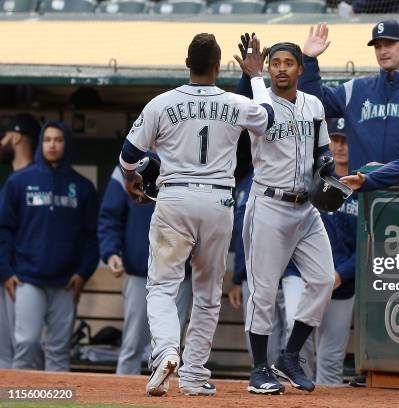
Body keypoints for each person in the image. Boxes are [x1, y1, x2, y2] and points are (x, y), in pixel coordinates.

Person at [118, 33, 273, 397]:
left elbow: (127, 156)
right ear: (218, 67)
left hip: (174, 199)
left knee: (162, 285)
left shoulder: (161, 103)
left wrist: (140, 172)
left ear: (187, 64)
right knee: (206, 292)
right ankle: (193, 375)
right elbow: (267, 118)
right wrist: (254, 75)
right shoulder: (235, 101)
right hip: (219, 201)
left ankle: (167, 351)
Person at [235, 38, 335, 395]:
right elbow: (255, 110)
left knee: (324, 280)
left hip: (306, 208)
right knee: (263, 292)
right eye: (274, 62)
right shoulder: (256, 103)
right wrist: (250, 75)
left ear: (299, 69)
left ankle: (290, 356)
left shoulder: (314, 104)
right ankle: (259, 369)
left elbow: (323, 148)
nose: (280, 68)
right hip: (270, 204)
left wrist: (328, 168)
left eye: (287, 62)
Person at [0, 121, 99, 371]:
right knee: (27, 344)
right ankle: (19, 402)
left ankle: (57, 401)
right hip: (27, 279)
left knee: (58, 351)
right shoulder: (18, 182)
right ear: (40, 143)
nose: (52, 145)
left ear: (67, 143)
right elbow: (3, 230)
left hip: (65, 282)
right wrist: (7, 272)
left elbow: (92, 236)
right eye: (47, 140)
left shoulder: (82, 187)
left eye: (58, 140)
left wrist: (82, 273)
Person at [97, 159, 194, 375]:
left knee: (171, 348)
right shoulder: (127, 167)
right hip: (140, 272)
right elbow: (110, 218)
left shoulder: (188, 162)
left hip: (179, 274)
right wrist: (111, 252)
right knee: (132, 345)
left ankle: (169, 397)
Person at [299, 20, 399, 172]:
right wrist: (308, 60)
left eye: (389, 44)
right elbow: (314, 103)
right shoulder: (356, 89)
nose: (382, 51)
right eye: (378, 46)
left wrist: (391, 170)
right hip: (363, 191)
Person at [228, 167, 286, 368]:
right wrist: (238, 278)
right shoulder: (246, 182)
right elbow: (242, 235)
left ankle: (296, 394)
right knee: (263, 352)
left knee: (292, 347)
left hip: (289, 273)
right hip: (258, 274)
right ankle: (265, 384)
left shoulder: (294, 175)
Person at [315, 118, 358, 386]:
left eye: (346, 141)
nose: (340, 147)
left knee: (330, 359)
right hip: (310, 280)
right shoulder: (315, 180)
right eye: (335, 140)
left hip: (343, 285)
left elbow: (369, 244)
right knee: (298, 352)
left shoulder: (363, 185)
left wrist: (341, 274)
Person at [0, 113, 41, 369]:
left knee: (26, 348)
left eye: (3, 136)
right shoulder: (13, 179)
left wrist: (11, 271)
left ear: (15, 137)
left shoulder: (31, 179)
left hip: (22, 278)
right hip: (8, 275)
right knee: (6, 352)